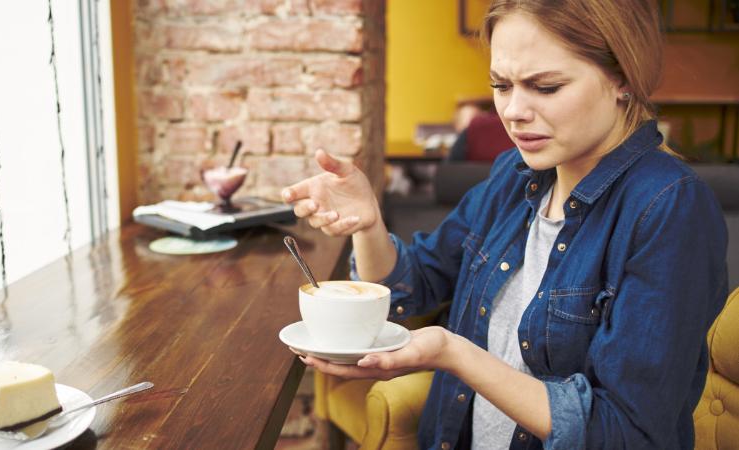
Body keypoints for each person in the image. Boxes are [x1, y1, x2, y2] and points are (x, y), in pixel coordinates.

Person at [280, 0, 729, 449]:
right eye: (501, 85)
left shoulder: (669, 209)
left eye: (546, 87)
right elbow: (412, 283)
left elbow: (624, 433)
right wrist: (369, 223)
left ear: (623, 79)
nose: (512, 111)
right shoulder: (514, 177)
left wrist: (454, 354)